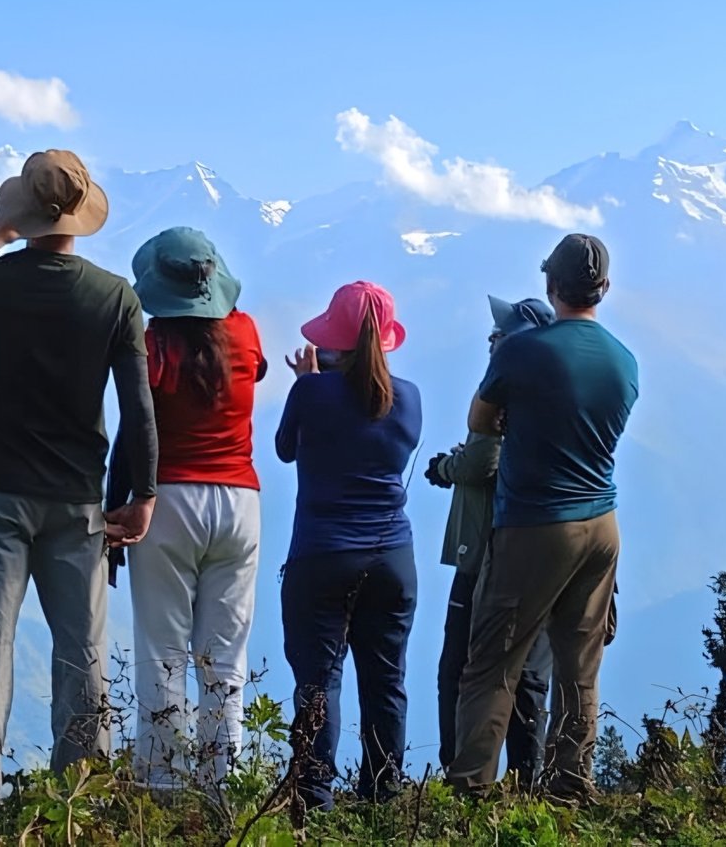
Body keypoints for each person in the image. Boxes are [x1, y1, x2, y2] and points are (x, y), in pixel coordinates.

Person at [0, 150, 159, 843]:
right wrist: (143, 491)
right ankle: (75, 803)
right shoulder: (113, 295)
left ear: (22, 211)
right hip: (77, 498)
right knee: (82, 654)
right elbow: (138, 410)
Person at [449, 234, 638, 803]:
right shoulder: (623, 359)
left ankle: (471, 796)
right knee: (579, 667)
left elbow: (480, 420)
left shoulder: (522, 351)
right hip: (602, 525)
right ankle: (570, 789)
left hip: (535, 523)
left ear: (550, 285)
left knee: (493, 662)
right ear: (603, 288)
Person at [107, 227, 266, 790]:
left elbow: (134, 432)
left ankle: (163, 785)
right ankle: (225, 785)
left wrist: (118, 503)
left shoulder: (149, 346)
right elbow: (257, 368)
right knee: (224, 654)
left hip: (168, 500)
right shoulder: (246, 335)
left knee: (163, 649)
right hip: (241, 504)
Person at [275, 281, 422, 811]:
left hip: (322, 556)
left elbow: (286, 449)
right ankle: (383, 798)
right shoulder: (410, 398)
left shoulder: (311, 392)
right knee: (386, 682)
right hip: (393, 558)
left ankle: (314, 800)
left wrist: (310, 383)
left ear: (335, 340)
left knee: (319, 681)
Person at [427, 296, 556, 787]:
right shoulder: (556, 394)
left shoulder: (502, 390)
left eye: (497, 336)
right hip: (545, 554)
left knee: (458, 669)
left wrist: (445, 468)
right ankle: (530, 781)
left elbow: (481, 462)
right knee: (530, 675)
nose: (491, 342)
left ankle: (459, 774)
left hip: (482, 553)